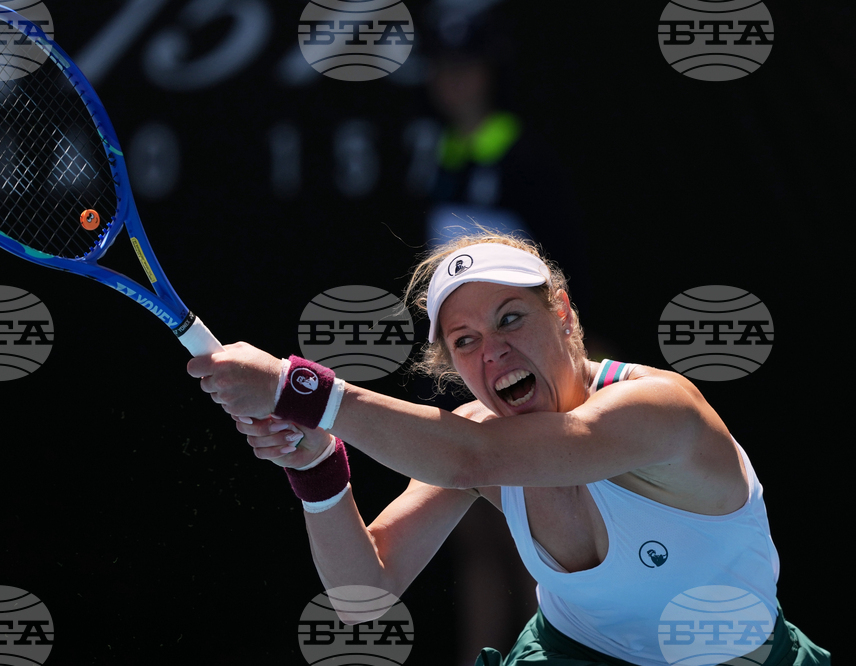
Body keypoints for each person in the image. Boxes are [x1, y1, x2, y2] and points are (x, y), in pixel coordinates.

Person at [186, 233, 830, 666]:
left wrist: (296, 389)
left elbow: (473, 457)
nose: (492, 351)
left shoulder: (661, 411)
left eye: (511, 318)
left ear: (563, 311)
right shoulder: (471, 441)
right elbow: (364, 589)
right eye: (464, 340)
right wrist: (316, 466)